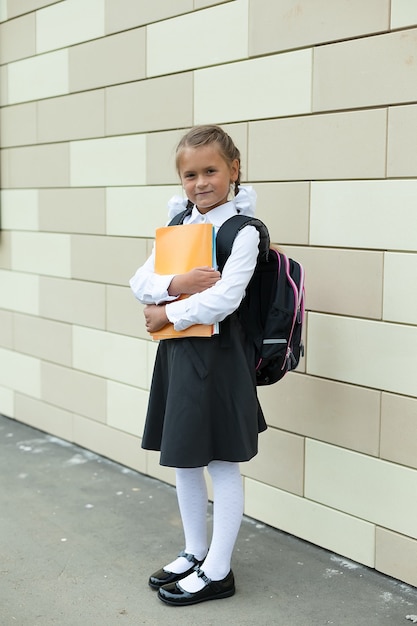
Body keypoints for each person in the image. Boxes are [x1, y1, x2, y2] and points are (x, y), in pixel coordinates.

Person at [129, 125, 267, 607]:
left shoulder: (243, 231)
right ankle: (195, 551)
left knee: (220, 460)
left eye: (210, 170)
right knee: (183, 453)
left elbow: (226, 301)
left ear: (233, 170)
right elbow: (139, 282)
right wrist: (178, 281)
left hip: (221, 358)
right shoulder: (180, 223)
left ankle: (219, 570)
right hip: (179, 355)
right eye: (190, 174)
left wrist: (167, 310)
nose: (200, 182)